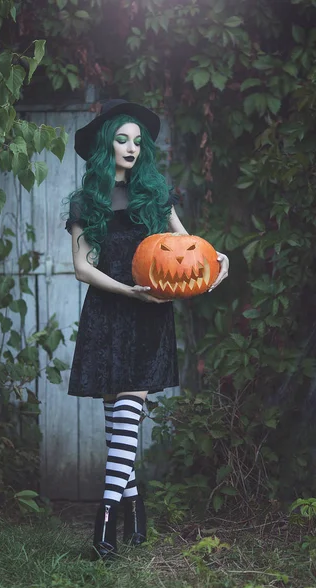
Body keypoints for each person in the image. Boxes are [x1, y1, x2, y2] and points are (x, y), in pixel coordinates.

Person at [65, 99, 229, 560]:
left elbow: (190, 247)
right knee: (119, 428)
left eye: (138, 140)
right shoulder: (87, 201)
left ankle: (103, 530)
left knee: (127, 422)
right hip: (107, 313)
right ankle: (137, 514)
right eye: (122, 139)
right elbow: (81, 268)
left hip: (149, 315)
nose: (131, 147)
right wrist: (126, 290)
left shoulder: (156, 197)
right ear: (105, 145)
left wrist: (220, 262)